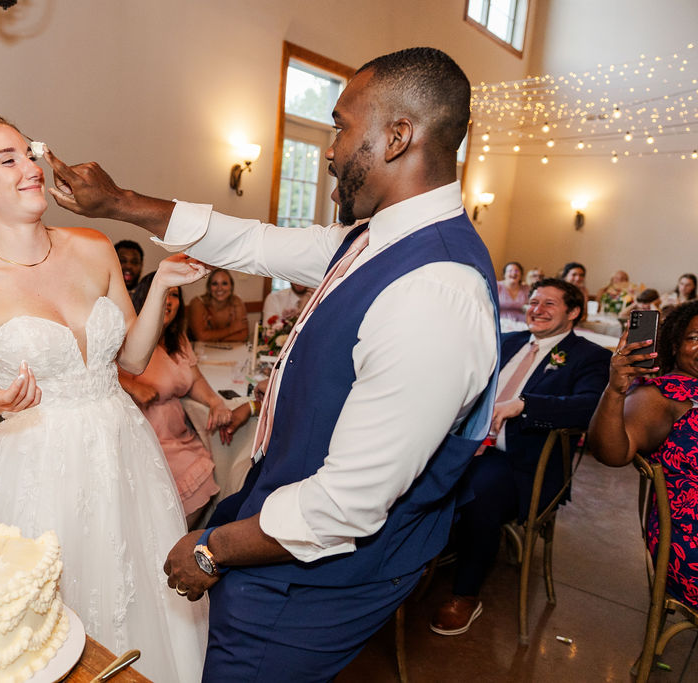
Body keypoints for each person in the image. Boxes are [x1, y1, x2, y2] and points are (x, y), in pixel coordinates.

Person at [42, 47, 499, 681]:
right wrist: (119, 202)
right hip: (280, 529)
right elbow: (251, 241)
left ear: (398, 137)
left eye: (340, 126)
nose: (331, 151)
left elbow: (345, 507)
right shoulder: (372, 237)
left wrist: (209, 550)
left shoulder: (436, 292)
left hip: (322, 573)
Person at [0, 116, 208, 682]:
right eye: (8, 160)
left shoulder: (93, 246)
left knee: (138, 592)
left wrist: (162, 290)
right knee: (49, 619)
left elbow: (128, 360)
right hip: (35, 466)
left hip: (122, 448)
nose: (32, 167)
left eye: (30, 153)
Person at [430, 278, 610, 635]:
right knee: (416, 471)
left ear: (573, 313)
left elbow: (589, 406)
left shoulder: (590, 356)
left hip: (521, 461)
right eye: (533, 302)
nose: (536, 310)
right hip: (466, 445)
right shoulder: (508, 341)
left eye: (548, 304)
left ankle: (465, 594)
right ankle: (423, 552)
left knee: (479, 492)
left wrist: (524, 405)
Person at [588, 300, 698, 609]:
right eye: (696, 337)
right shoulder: (661, 396)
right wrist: (615, 391)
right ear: (675, 344)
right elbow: (611, 453)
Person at [121, 273, 229, 527]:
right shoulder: (126, 334)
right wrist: (133, 385)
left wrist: (215, 402)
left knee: (205, 471)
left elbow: (195, 380)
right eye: (161, 294)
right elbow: (97, 371)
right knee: (172, 488)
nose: (168, 301)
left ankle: (175, 543)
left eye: (175, 295)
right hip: (146, 435)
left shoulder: (177, 339)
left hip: (177, 434)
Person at [187, 269, 250, 342]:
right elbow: (201, 337)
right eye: (215, 284)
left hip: (229, 350)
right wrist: (232, 329)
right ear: (209, 287)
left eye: (224, 283)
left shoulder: (237, 301)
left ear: (231, 286)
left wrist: (215, 339)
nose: (219, 288)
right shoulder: (198, 303)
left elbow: (243, 334)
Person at [497, 261, 529, 325]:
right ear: (504, 274)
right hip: (500, 322)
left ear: (521, 275)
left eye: (517, 271)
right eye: (510, 271)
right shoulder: (497, 286)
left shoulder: (526, 288)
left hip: (521, 323)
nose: (514, 273)